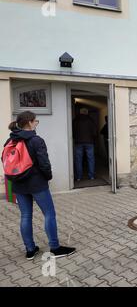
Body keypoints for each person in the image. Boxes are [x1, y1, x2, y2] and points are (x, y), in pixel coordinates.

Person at [4, 111, 76, 260]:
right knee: (49, 214)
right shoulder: (36, 140)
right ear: (30, 122)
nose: (36, 123)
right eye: (36, 121)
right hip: (37, 184)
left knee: (25, 216)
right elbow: (44, 163)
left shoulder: (10, 141)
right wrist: (48, 177)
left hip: (18, 184)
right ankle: (55, 248)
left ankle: (30, 250)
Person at [73, 108, 97, 181]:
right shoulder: (91, 120)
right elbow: (94, 132)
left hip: (78, 142)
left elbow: (72, 131)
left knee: (78, 160)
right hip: (89, 142)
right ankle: (91, 176)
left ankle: (78, 177)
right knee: (91, 159)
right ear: (87, 113)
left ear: (80, 112)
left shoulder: (75, 120)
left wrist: (75, 137)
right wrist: (93, 139)